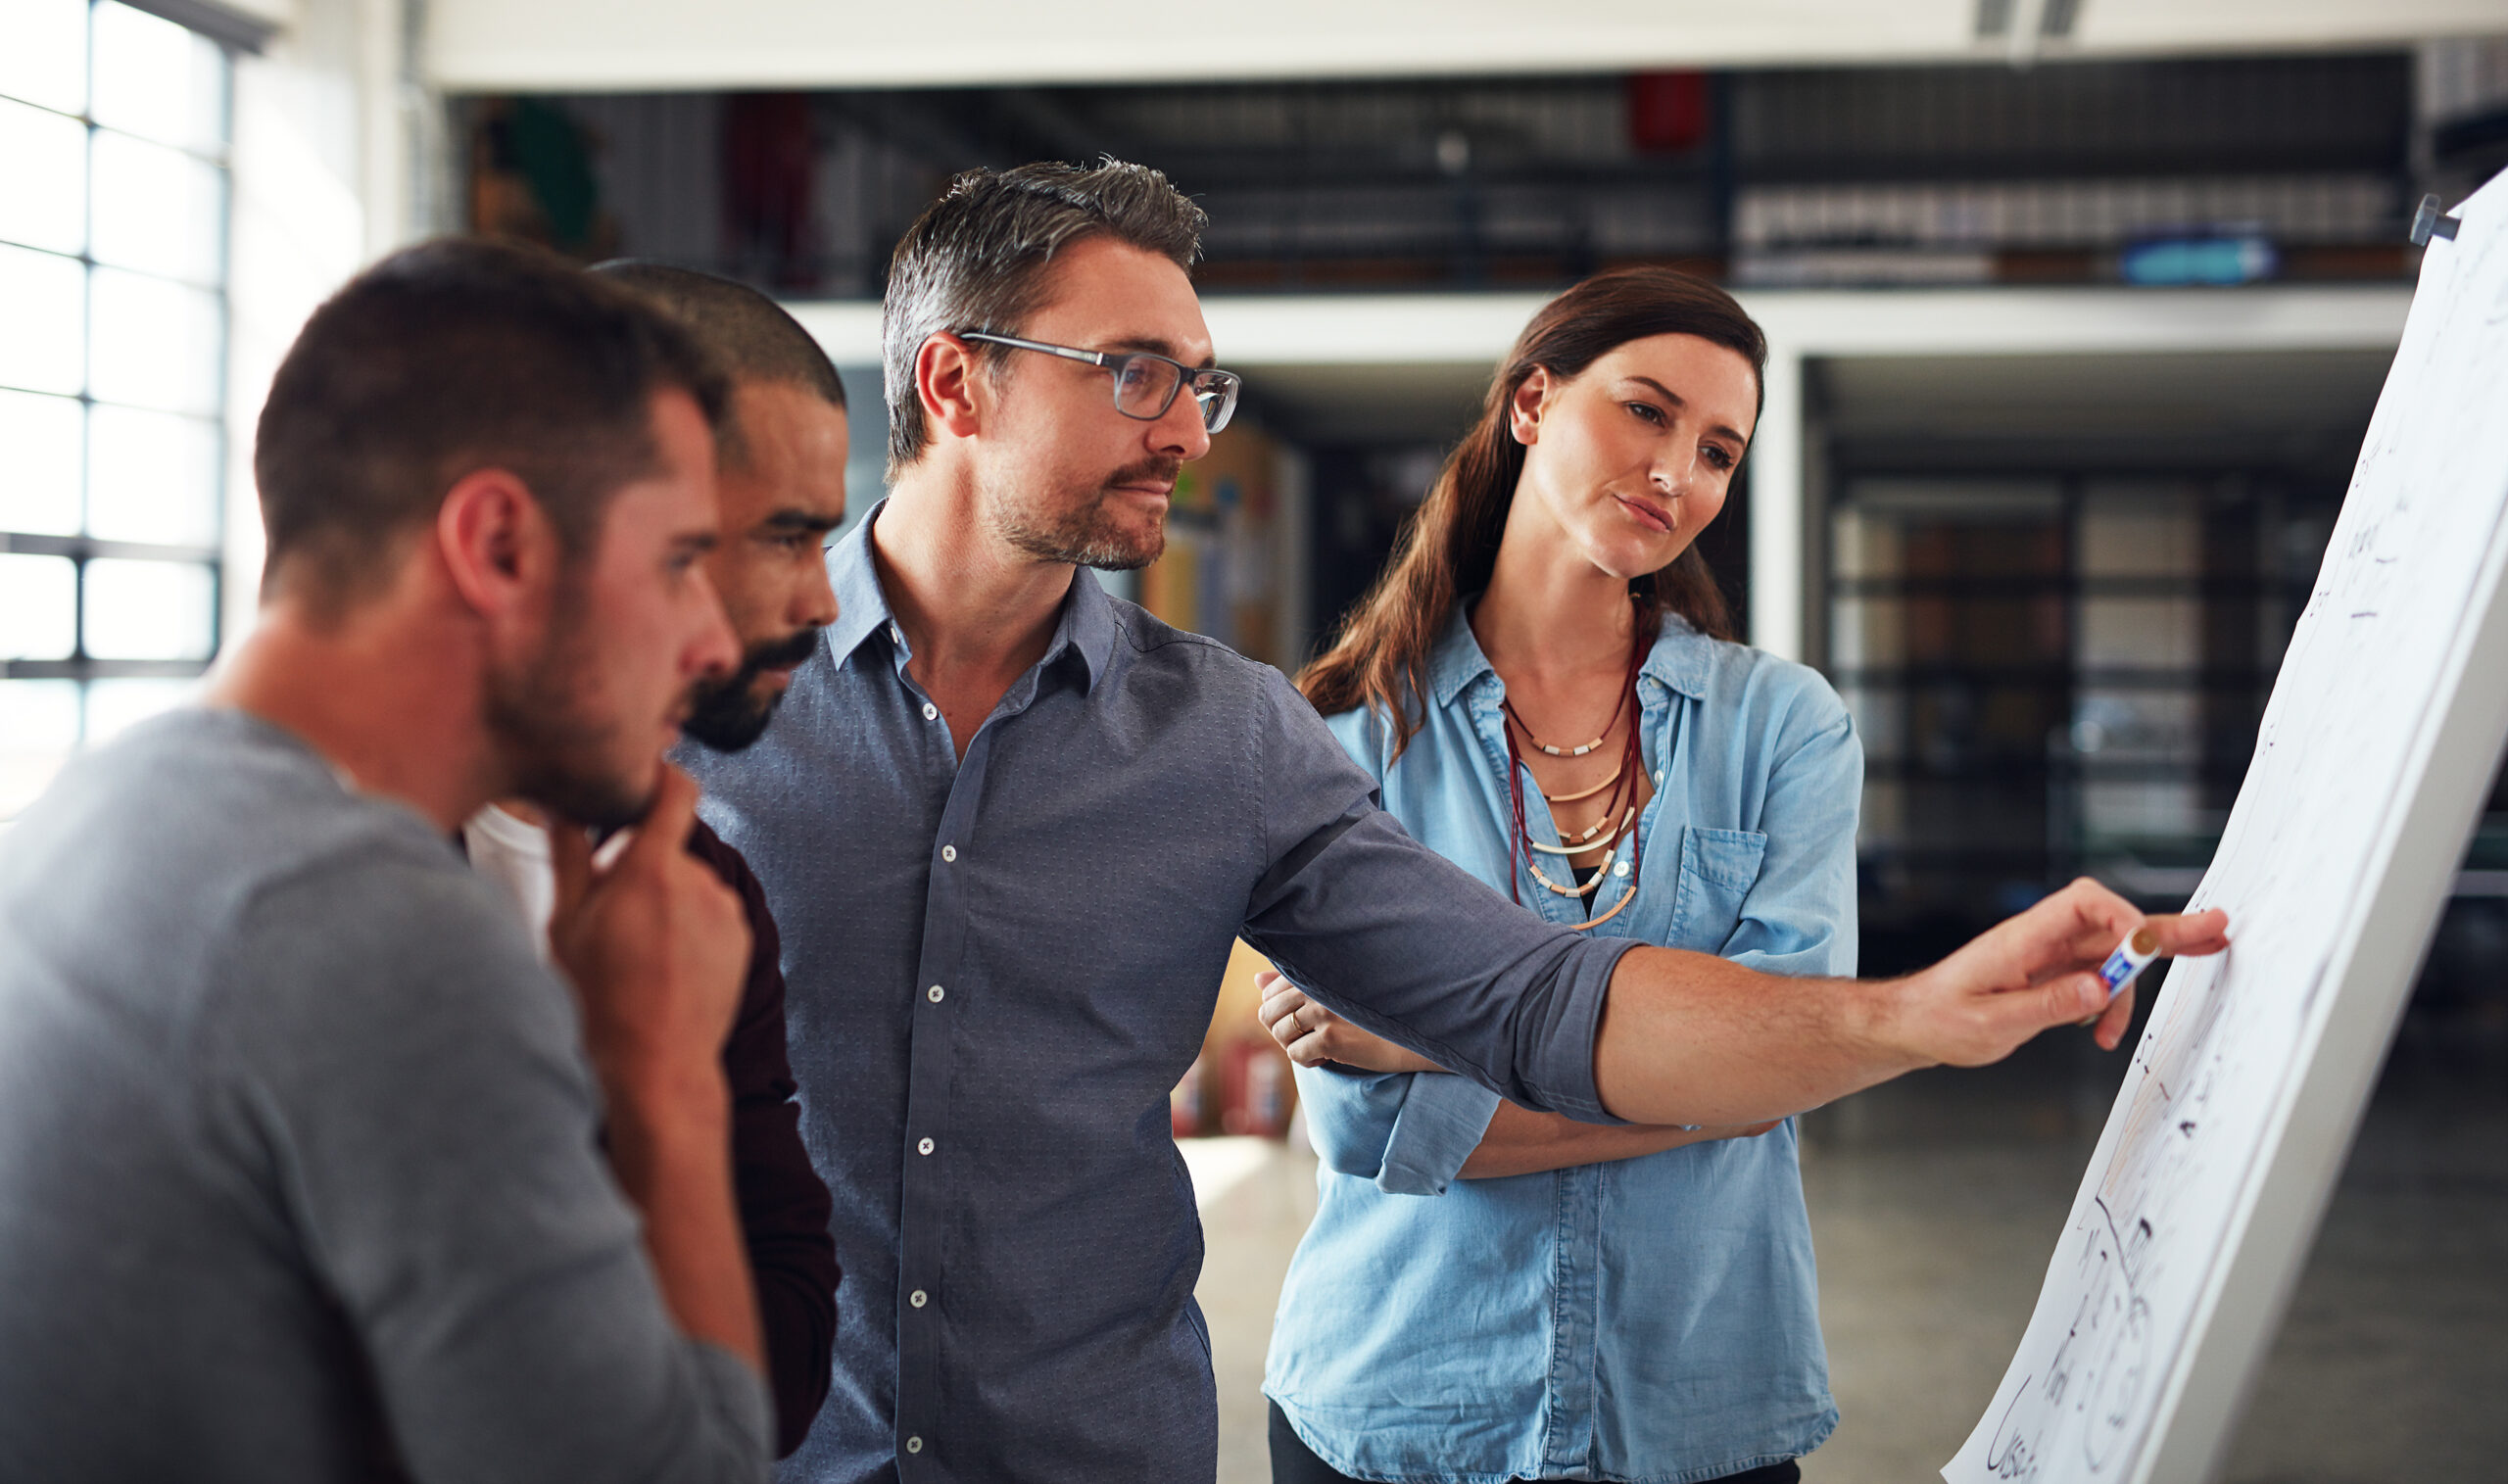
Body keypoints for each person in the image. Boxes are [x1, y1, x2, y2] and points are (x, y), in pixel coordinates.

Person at [679, 160, 2228, 1484]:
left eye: (1198, 382)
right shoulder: (691, 699)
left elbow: (1531, 996)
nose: (1190, 429)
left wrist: (1914, 1012)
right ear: (957, 381)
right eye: (1137, 373)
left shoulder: (1225, 740)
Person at [0, 240, 773, 1482]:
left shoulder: (98, 809)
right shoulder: (369, 925)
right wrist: (664, 1081)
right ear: (500, 545)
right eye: (681, 560)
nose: (713, 640)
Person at [1257, 267, 1848, 1484]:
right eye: (1646, 410)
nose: (1679, 471)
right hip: (1399, 1408)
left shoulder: (1781, 728)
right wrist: (1698, 1054)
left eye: (1719, 450)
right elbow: (1363, 1126)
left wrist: (1431, 1038)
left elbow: (1795, 1057)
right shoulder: (1343, 743)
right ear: (1531, 402)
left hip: (1698, 1412)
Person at [460, 261, 850, 1457]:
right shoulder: (338, 898)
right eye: (780, 534)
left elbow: (771, 1377)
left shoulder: (697, 889)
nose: (825, 603)